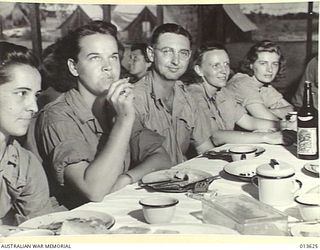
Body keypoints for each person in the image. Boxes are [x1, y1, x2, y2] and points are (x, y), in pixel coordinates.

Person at [26, 21, 171, 209]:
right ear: (74, 67)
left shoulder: (115, 105)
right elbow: (94, 190)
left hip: (115, 208)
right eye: (95, 58)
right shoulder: (57, 115)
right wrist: (124, 121)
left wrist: (126, 179)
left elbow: (161, 157)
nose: (108, 67)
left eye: (113, 57)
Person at [133, 23, 214, 165]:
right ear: (151, 54)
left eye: (183, 53)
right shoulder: (134, 99)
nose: (176, 61)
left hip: (181, 180)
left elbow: (205, 149)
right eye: (167, 51)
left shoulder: (187, 96)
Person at [188, 44, 288, 146]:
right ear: (199, 70)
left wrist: (285, 125)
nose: (224, 71)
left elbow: (249, 122)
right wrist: (267, 137)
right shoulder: (194, 95)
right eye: (216, 65)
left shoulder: (222, 93)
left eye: (226, 64)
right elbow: (216, 136)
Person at [0, 42, 52, 225]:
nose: (34, 107)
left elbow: (42, 231)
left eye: (36, 95)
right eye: (22, 93)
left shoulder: (26, 164)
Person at [226, 40, 294, 121]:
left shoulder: (264, 85)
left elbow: (291, 109)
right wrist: (269, 113)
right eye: (263, 63)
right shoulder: (242, 83)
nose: (270, 70)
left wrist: (268, 111)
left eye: (274, 64)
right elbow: (271, 121)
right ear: (251, 64)